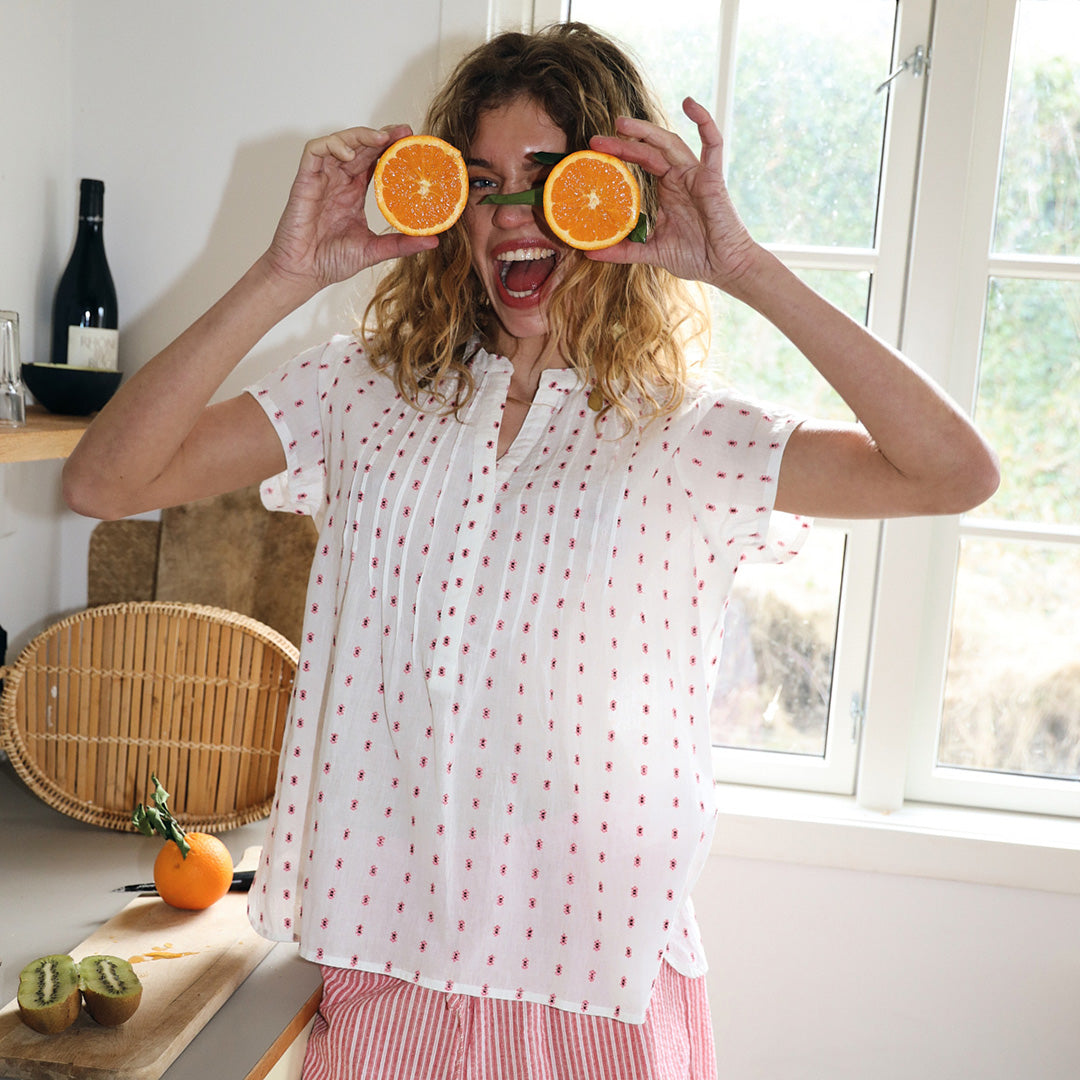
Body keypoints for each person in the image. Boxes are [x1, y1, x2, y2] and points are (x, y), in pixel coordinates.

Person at [63, 22, 998, 1080]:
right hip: (389, 967)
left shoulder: (685, 432)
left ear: (616, 199)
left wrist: (743, 267)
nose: (513, 214)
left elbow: (952, 472)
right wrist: (286, 272)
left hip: (594, 982)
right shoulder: (358, 393)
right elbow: (106, 481)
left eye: (550, 181)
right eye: (482, 184)